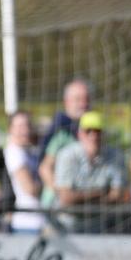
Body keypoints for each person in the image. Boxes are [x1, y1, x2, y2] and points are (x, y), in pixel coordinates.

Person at [53, 111, 126, 233]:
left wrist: (79, 198)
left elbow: (118, 196)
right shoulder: (67, 155)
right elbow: (66, 198)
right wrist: (101, 193)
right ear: (80, 134)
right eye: (88, 131)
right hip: (66, 225)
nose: (94, 136)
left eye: (98, 131)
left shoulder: (115, 156)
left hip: (100, 226)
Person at [38, 78, 92, 208]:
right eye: (78, 99)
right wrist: (63, 195)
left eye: (87, 99)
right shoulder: (60, 130)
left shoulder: (93, 131)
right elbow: (45, 168)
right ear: (66, 102)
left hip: (86, 205)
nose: (83, 104)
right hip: (59, 208)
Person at [3, 111, 44, 233]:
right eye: (20, 127)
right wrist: (51, 183)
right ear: (10, 129)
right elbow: (30, 188)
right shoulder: (14, 152)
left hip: (37, 219)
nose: (26, 130)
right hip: (28, 222)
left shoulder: (28, 150)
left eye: (28, 125)